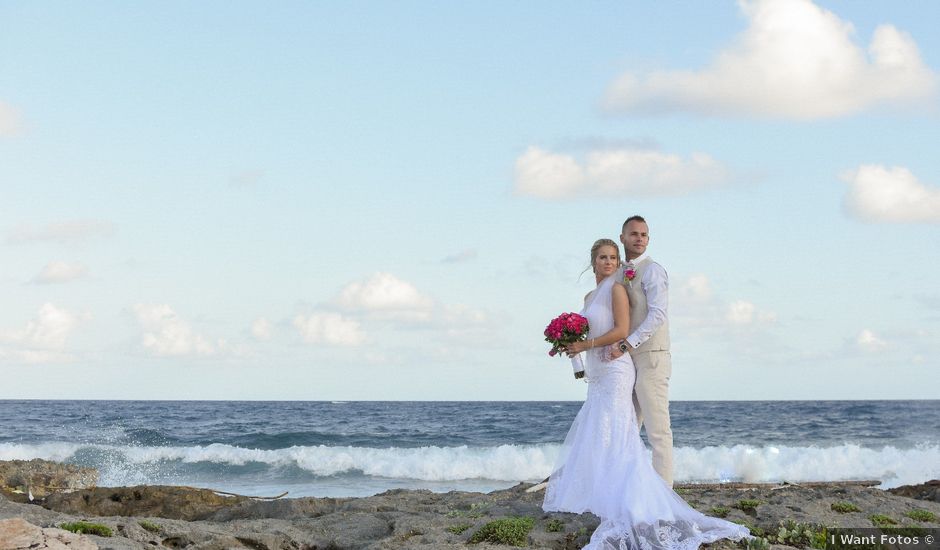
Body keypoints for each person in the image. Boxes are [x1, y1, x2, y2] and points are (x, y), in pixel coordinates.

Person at [542, 239, 748, 550]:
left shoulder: (617, 290)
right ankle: (599, 490)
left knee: (618, 429)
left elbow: (621, 331)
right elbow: (591, 331)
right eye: (603, 257)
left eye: (613, 257)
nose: (609, 262)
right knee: (599, 429)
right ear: (593, 262)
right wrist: (570, 344)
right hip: (598, 371)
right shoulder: (589, 295)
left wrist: (585, 345)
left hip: (616, 369)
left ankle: (635, 494)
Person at [611, 215, 674, 487]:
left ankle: (665, 495)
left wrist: (629, 342)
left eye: (645, 234)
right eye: (634, 234)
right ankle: (632, 488)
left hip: (652, 356)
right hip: (630, 360)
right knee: (628, 428)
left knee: (658, 431)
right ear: (622, 237)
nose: (640, 239)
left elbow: (658, 314)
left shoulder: (652, 271)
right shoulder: (621, 272)